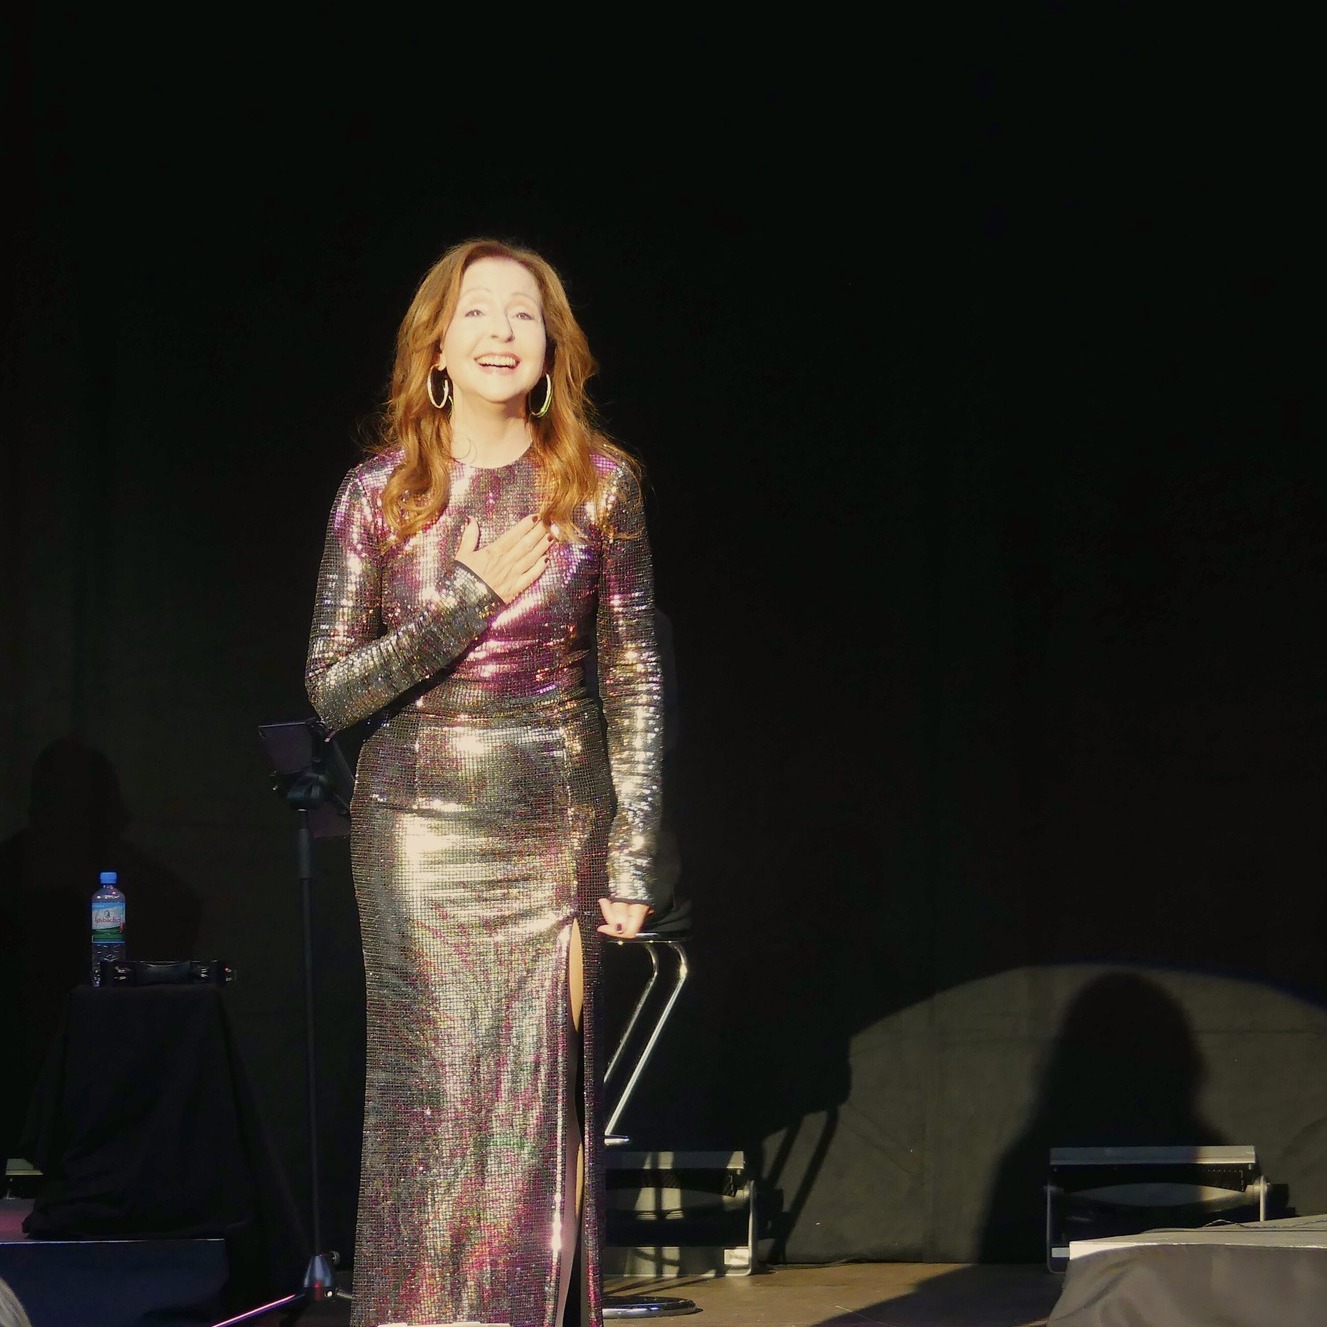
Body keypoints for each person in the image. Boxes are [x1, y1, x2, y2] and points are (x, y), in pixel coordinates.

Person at [305, 237, 664, 1327]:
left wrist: (635, 849)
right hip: (417, 832)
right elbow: (331, 689)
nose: (501, 331)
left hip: (555, 829)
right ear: (436, 346)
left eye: (523, 314)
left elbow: (634, 676)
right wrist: (463, 598)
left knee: (536, 1107)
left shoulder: (598, 487)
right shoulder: (380, 493)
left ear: (552, 349)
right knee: (435, 1107)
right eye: (477, 311)